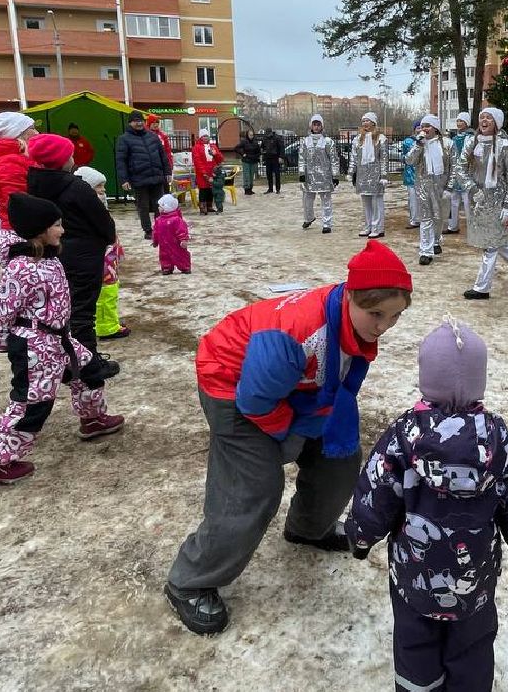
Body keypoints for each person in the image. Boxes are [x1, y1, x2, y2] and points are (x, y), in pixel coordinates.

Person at [165, 240, 414, 635]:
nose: (383, 326)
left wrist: (317, 422)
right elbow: (255, 400)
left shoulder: (349, 319)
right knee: (255, 485)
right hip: (233, 383)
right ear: (350, 295)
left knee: (339, 456)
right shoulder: (299, 332)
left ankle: (308, 528)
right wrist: (291, 433)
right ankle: (190, 580)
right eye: (376, 314)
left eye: (395, 316)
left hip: (293, 384)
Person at [346, 320, 508, 692]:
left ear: (426, 378)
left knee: (415, 643)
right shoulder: (498, 441)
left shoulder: (404, 435)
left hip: (414, 578)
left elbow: (376, 490)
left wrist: (360, 536)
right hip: (474, 581)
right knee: (472, 645)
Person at [0, 192, 124, 485]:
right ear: (39, 230)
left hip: (59, 339)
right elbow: (2, 308)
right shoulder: (21, 268)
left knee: (90, 370)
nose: (62, 230)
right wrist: (3, 339)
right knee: (33, 403)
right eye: (56, 225)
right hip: (34, 346)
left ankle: (93, 418)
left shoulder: (50, 258)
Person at [26, 133, 120, 376]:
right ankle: (87, 364)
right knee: (82, 312)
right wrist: (108, 237)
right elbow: (103, 222)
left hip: (53, 254)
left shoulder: (33, 184)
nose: (72, 158)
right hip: (84, 256)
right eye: (69, 154)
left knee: (59, 310)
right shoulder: (77, 187)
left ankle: (65, 360)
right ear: (61, 159)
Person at [455, 108, 508, 300]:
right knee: (491, 239)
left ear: (497, 123)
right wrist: (472, 189)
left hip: (498, 201)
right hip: (477, 200)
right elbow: (460, 168)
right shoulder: (472, 142)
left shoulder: (505, 146)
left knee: (490, 245)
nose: (484, 120)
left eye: (489, 118)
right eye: (482, 117)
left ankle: (482, 288)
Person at [75, 165, 130, 341]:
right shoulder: (89, 210)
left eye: (103, 186)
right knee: (106, 294)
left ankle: (107, 322)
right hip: (102, 261)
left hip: (108, 259)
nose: (103, 191)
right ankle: (107, 327)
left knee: (109, 293)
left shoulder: (97, 207)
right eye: (99, 187)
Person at [115, 110, 174, 240]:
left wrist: (167, 171)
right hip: (139, 178)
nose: (139, 123)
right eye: (136, 121)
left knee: (160, 205)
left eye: (141, 120)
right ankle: (148, 230)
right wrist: (124, 179)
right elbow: (121, 161)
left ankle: (160, 228)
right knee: (143, 206)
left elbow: (163, 155)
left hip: (156, 176)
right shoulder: (124, 139)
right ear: (130, 123)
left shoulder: (153, 136)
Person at [0, 111, 38, 240]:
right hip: (19, 229)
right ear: (18, 133)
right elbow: (18, 203)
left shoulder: (14, 156)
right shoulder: (10, 162)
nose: (37, 133)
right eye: (32, 129)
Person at [405, 114, 453, 266]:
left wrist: (450, 187)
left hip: (441, 186)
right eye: (423, 126)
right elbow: (409, 161)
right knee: (426, 218)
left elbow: (454, 166)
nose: (424, 129)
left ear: (435, 128)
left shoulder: (447, 143)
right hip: (423, 186)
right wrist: (418, 145)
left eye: (428, 126)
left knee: (439, 218)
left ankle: (436, 240)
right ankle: (425, 251)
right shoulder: (419, 144)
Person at [348, 112, 387, 238]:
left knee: (376, 202)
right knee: (365, 202)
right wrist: (351, 172)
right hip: (363, 174)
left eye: (367, 120)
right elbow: (354, 157)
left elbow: (384, 158)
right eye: (363, 121)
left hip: (376, 174)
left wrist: (384, 175)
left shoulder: (381, 138)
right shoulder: (358, 139)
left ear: (373, 122)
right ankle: (367, 226)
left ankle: (378, 228)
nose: (365, 123)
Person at [298, 114, 337, 233]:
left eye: (318, 124)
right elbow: (301, 158)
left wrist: (335, 175)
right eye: (314, 124)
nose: (316, 127)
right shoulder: (305, 141)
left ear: (322, 126)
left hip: (324, 176)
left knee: (326, 200)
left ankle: (327, 224)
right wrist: (301, 173)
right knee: (307, 200)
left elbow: (334, 159)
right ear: (311, 126)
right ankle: (309, 218)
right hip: (309, 176)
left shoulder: (328, 142)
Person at [445, 111, 473, 234]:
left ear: (467, 123)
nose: (459, 123)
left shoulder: (471, 138)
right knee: (453, 201)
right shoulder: (454, 138)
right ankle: (453, 226)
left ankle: (472, 228)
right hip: (455, 174)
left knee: (468, 203)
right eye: (457, 121)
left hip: (466, 174)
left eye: (461, 121)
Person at [152, 192, 191, 274]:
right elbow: (156, 232)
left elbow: (182, 230)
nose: (158, 208)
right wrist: (155, 241)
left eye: (160, 206)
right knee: (164, 256)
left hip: (176, 243)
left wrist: (183, 239)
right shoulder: (159, 220)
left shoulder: (176, 219)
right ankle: (167, 267)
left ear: (166, 207)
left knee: (181, 254)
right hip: (163, 244)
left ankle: (185, 266)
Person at [192, 130, 224, 214]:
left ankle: (209, 206)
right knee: (203, 189)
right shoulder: (196, 147)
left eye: (207, 136)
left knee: (211, 188)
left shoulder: (213, 146)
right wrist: (203, 172)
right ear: (200, 137)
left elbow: (220, 159)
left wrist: (216, 154)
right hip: (202, 172)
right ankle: (202, 206)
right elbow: (197, 161)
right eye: (204, 136)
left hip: (212, 171)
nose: (206, 137)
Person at [400, 125, 420, 229]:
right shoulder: (408, 141)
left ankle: (423, 219)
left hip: (422, 174)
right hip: (411, 173)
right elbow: (405, 156)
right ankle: (414, 219)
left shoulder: (426, 141)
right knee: (413, 198)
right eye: (418, 127)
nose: (420, 130)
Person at [236, 127, 261, 196]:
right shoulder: (244, 142)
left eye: (252, 135)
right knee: (247, 175)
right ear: (247, 135)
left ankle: (250, 188)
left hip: (253, 161)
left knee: (251, 175)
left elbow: (259, 151)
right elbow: (236, 148)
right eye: (250, 135)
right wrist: (242, 154)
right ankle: (246, 189)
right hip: (246, 161)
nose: (251, 136)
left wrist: (257, 157)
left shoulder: (255, 142)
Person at [261, 128, 285, 194]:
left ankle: (278, 189)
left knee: (277, 174)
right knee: (268, 174)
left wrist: (281, 157)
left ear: (271, 133)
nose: (267, 135)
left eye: (268, 134)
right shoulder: (265, 138)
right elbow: (262, 146)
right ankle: (270, 188)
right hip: (268, 158)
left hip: (275, 158)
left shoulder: (277, 138)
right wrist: (263, 152)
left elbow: (282, 147)